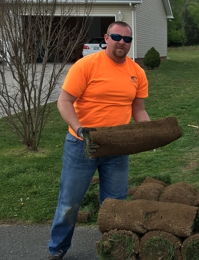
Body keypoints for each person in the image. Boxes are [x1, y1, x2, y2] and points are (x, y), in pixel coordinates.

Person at [48, 21, 150, 260]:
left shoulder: (137, 72)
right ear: (107, 37)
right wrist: (80, 129)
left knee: (115, 205)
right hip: (82, 144)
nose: (121, 43)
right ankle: (57, 249)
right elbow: (63, 102)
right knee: (70, 203)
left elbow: (139, 110)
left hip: (116, 146)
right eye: (117, 37)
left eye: (127, 39)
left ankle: (112, 249)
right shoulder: (86, 66)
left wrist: (149, 132)